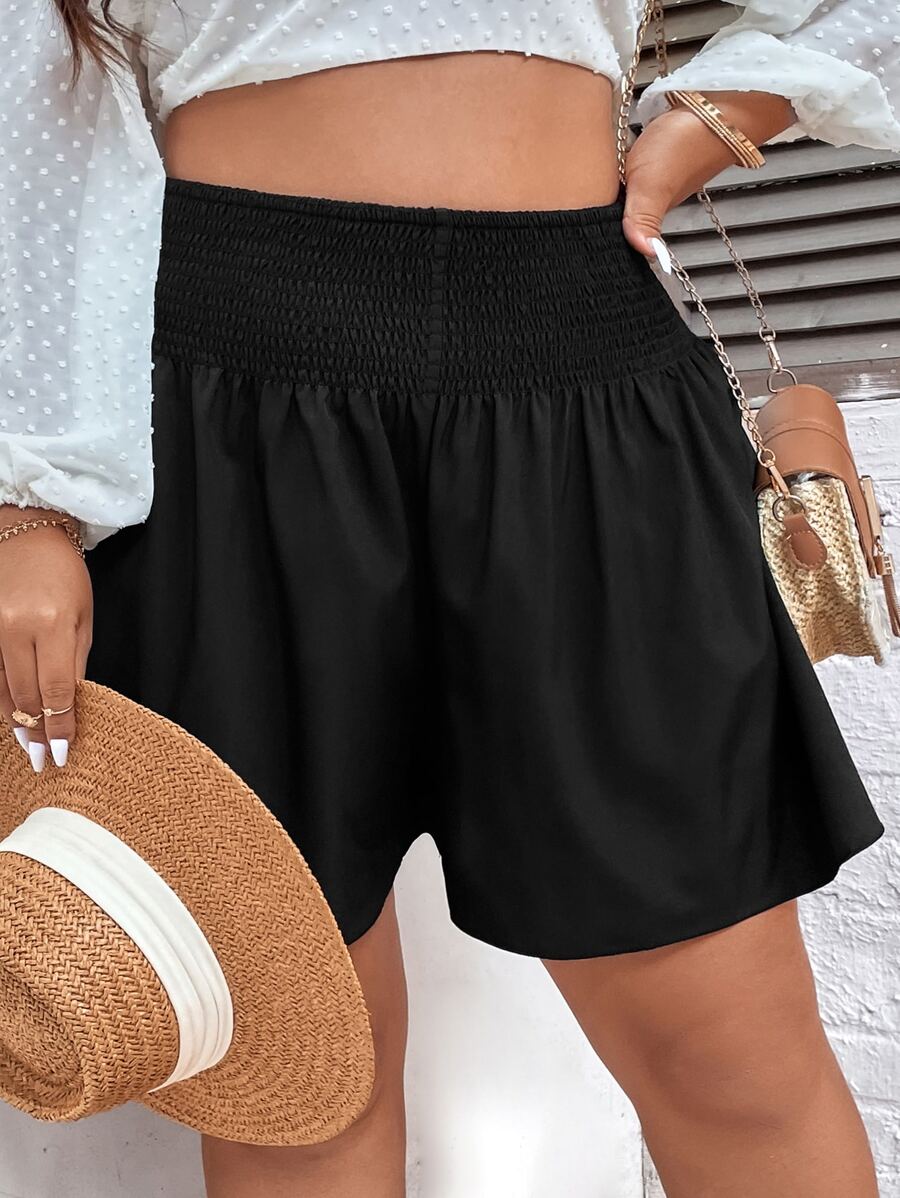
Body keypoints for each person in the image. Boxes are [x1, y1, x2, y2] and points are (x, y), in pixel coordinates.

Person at [1, 2, 897, 1195]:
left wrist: (723, 111)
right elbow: (36, 103)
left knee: (733, 1065)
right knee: (298, 1088)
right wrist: (27, 499)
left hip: (581, 374)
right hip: (218, 413)